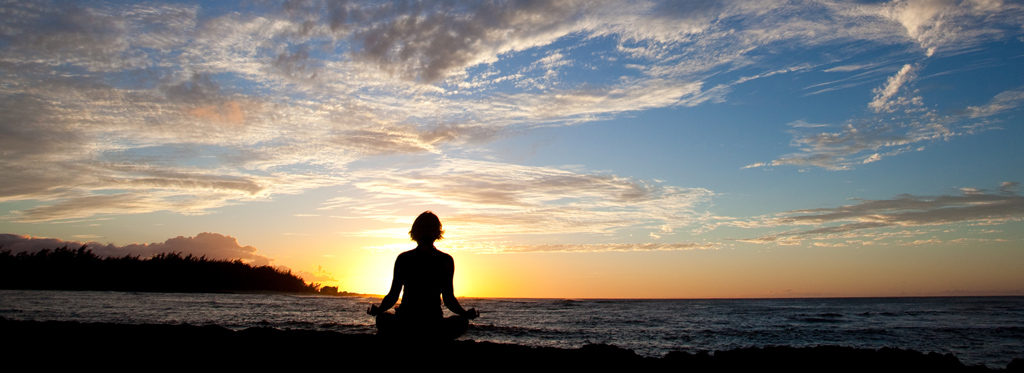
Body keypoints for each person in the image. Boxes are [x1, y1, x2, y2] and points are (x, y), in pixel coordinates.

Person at [367, 211, 479, 340]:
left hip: (409, 321)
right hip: (431, 322)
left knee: (383, 318)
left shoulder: (405, 258)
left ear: (415, 232)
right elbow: (448, 298)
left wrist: (379, 310)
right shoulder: (444, 260)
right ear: (437, 233)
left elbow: (393, 294)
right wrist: (464, 314)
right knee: (461, 322)